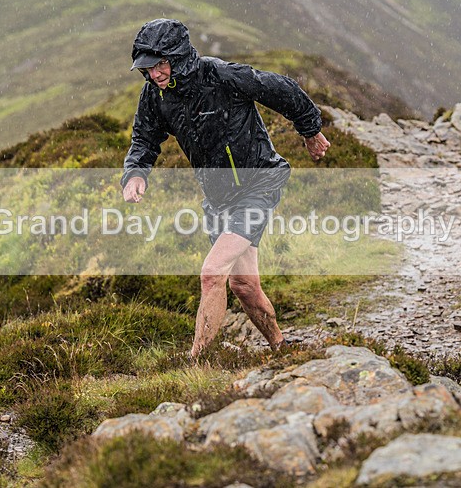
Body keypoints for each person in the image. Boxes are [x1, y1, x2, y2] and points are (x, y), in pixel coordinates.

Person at [121, 19, 330, 358]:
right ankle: (281, 346)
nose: (154, 74)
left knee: (212, 272)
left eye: (160, 65)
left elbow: (282, 89)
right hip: (218, 199)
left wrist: (310, 130)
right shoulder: (155, 95)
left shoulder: (220, 76)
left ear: (179, 57)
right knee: (243, 285)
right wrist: (136, 174)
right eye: (146, 68)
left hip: (258, 183)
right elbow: (144, 138)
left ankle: (198, 363)